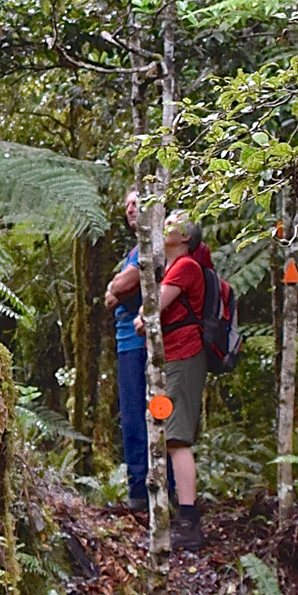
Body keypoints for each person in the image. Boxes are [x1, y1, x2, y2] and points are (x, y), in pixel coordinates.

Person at [156, 212, 210, 552]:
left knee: (177, 436)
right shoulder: (171, 266)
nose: (166, 224)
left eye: (174, 221)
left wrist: (139, 320)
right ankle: (177, 506)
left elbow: (150, 312)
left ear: (186, 237)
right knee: (167, 428)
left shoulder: (185, 266)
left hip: (184, 355)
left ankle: (188, 520)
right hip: (171, 357)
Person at [102, 190, 148, 512]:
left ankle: (142, 494)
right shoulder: (136, 251)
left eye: (137, 203)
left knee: (140, 418)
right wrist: (117, 287)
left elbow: (117, 288)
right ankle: (141, 490)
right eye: (127, 204)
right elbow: (111, 294)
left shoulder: (151, 249)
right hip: (126, 345)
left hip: (140, 346)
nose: (130, 209)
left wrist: (117, 286)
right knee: (131, 419)